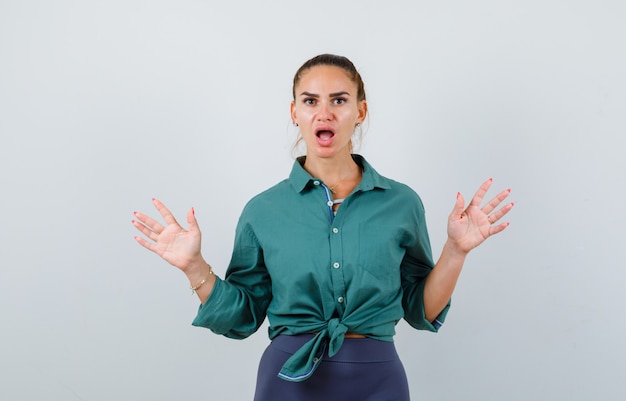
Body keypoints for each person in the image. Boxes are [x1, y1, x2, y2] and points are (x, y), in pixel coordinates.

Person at [132, 53, 514, 401]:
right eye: (311, 101)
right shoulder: (263, 210)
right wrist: (193, 266)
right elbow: (243, 316)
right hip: (288, 381)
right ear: (294, 111)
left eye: (339, 100)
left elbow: (420, 309)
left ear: (360, 111)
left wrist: (456, 251)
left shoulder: (401, 203)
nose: (324, 113)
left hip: (378, 379)